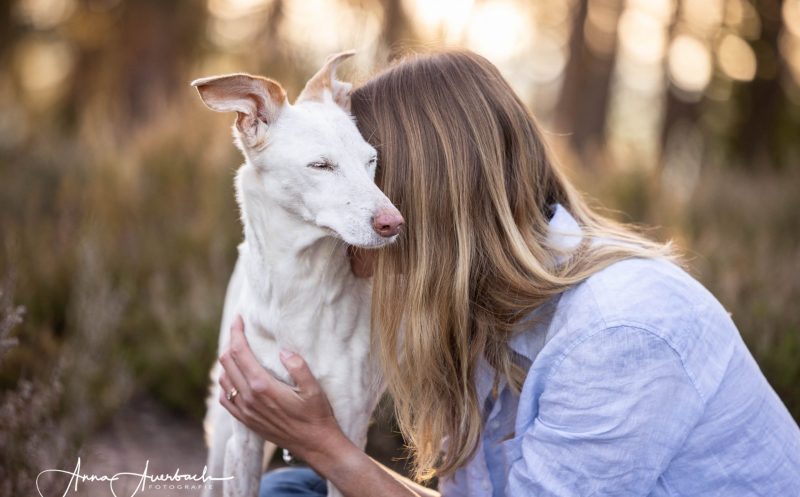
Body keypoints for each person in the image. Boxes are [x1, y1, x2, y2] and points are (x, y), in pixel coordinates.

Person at [216, 51, 800, 496]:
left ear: (433, 199)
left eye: (375, 181)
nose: (370, 215)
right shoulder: (480, 303)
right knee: (291, 488)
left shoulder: (622, 334)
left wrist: (325, 446)